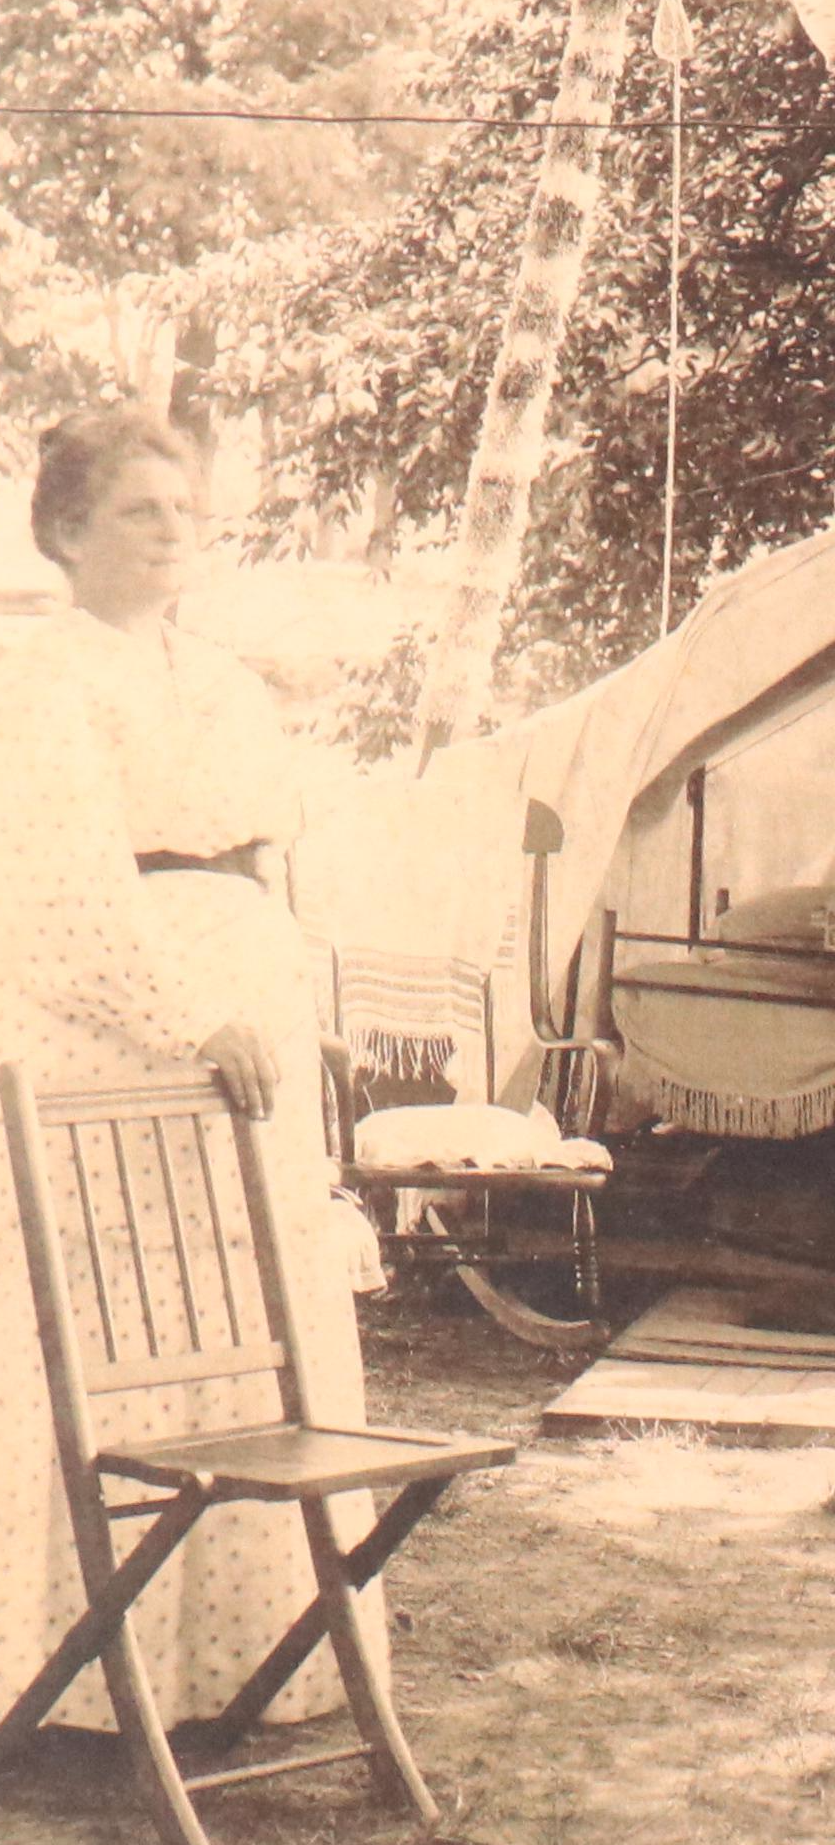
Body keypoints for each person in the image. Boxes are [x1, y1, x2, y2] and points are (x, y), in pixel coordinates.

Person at [0, 406, 380, 1732]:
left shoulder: (219, 681)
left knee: (251, 1319)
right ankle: (86, 1686)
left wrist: (287, 994)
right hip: (114, 1030)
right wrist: (177, 1018)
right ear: (64, 533)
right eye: (138, 513)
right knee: (119, 1332)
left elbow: (263, 857)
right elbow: (53, 890)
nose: (173, 536)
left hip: (249, 1017)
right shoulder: (41, 678)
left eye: (187, 512)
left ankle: (239, 1665)